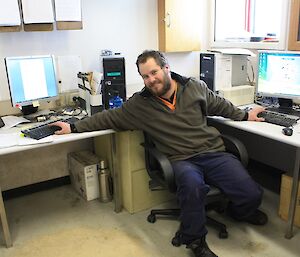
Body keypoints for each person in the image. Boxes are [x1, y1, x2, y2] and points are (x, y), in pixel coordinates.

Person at [52, 50, 267, 257]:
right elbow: (108, 117)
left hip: (213, 153)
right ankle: (195, 241)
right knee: (192, 187)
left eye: (154, 72)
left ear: (166, 68)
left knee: (252, 194)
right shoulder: (140, 104)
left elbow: (220, 106)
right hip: (182, 160)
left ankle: (238, 213)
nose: (151, 80)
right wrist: (73, 127)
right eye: (145, 76)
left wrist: (245, 115)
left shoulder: (194, 87)